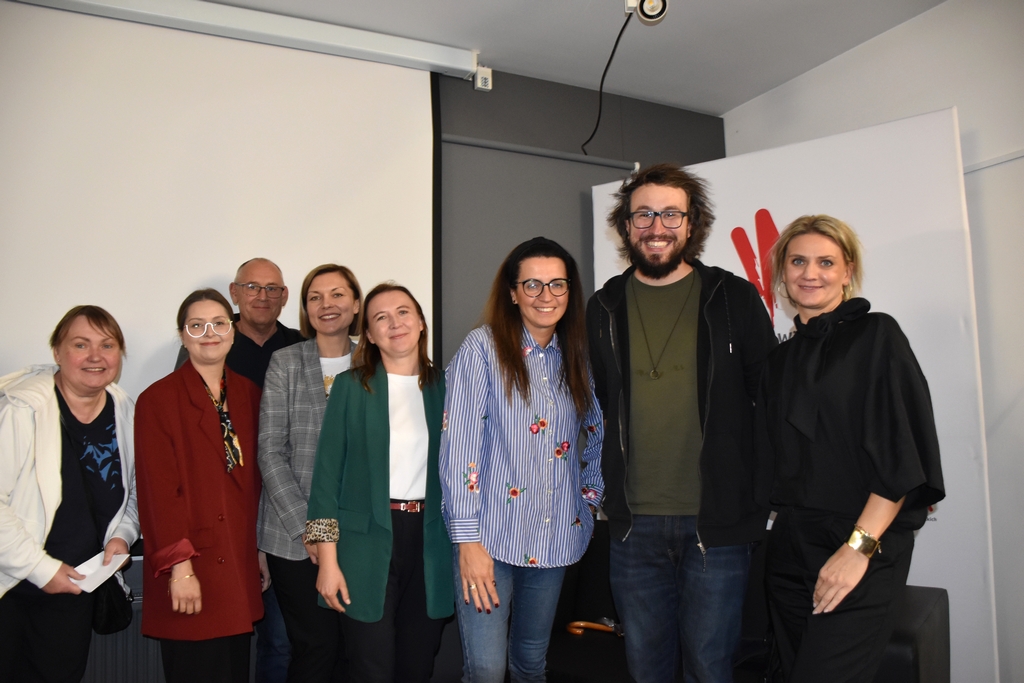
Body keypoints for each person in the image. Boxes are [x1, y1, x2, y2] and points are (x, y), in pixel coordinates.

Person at [586, 163, 777, 683]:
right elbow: (597, 405)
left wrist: (763, 494)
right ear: (626, 226)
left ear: (692, 224)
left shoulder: (732, 299)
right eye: (644, 214)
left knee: (710, 669)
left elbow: (770, 401)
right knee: (645, 668)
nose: (657, 227)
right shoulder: (603, 306)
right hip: (632, 525)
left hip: (717, 522)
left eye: (671, 214)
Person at [756, 215, 944, 682]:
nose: (810, 273)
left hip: (862, 540)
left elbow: (899, 453)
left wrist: (857, 549)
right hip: (791, 543)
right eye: (797, 261)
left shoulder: (877, 335)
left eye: (826, 262)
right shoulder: (779, 360)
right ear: (782, 272)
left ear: (848, 271)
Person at [441, 237, 605, 683]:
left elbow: (598, 434)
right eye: (532, 284)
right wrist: (468, 541)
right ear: (512, 293)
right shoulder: (482, 349)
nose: (545, 295)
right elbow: (459, 449)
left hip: (554, 538)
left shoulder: (577, 355)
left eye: (557, 284)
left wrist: (588, 501)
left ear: (570, 291)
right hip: (488, 541)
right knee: (487, 670)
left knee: (532, 664)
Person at [306, 283, 453, 683]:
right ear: (369, 334)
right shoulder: (350, 388)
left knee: (417, 667)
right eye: (381, 318)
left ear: (420, 323)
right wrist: (328, 562)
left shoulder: (448, 388)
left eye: (403, 312)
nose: (394, 324)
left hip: (430, 544)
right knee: (371, 669)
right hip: (363, 546)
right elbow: (325, 480)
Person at [174, 257, 302, 682]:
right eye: (252, 287)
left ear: (284, 297)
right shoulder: (208, 344)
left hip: (287, 516)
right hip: (226, 519)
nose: (262, 296)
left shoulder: (301, 346)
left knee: (284, 640)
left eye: (272, 288)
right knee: (230, 636)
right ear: (234, 292)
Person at [0, 305, 140, 683]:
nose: (95, 356)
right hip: (11, 589)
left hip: (73, 593)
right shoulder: (21, 409)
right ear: (57, 352)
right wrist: (40, 569)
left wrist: (121, 536)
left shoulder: (125, 410)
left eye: (107, 345)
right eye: (81, 345)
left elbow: (134, 494)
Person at [136, 288, 267, 683]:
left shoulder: (249, 394)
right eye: (197, 325)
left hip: (238, 565)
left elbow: (255, 483)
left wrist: (260, 551)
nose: (209, 333)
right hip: (190, 568)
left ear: (233, 331)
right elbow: (159, 495)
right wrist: (180, 568)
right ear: (182, 335)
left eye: (219, 323)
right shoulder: (157, 400)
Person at [257, 264, 362, 682]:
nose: (326, 304)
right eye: (315, 297)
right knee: (315, 649)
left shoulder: (376, 361)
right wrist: (312, 529)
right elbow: (270, 451)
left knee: (355, 651)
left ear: (356, 303)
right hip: (293, 536)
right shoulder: (285, 362)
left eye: (337, 294)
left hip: (359, 533)